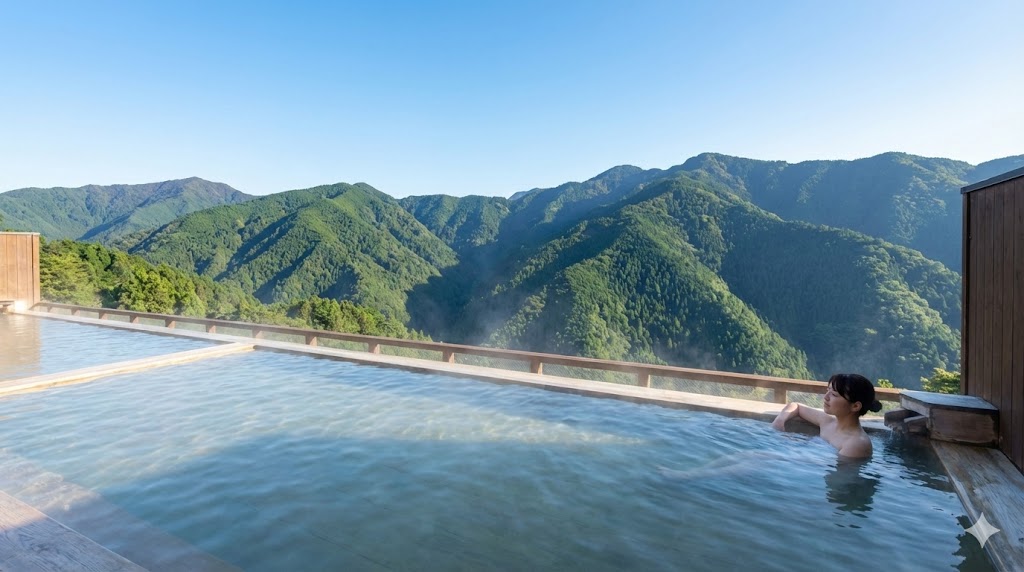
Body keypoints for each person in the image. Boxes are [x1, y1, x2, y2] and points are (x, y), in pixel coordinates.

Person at [771, 373, 882, 458]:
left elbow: (841, 477)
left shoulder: (856, 444)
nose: (826, 397)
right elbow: (796, 406)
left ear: (855, 406)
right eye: (827, 390)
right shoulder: (829, 422)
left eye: (834, 394)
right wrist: (780, 420)